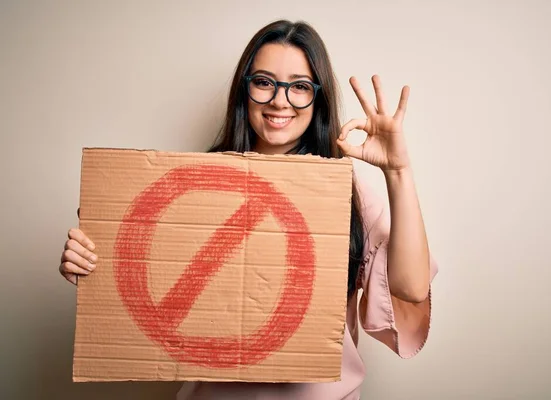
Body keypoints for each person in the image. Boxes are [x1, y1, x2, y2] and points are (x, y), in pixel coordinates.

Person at [59, 19, 438, 400]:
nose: (279, 100)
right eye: (264, 82)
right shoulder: (191, 184)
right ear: (245, 90)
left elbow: (411, 287)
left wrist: (398, 171)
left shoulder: (346, 190)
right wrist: (93, 268)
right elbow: (136, 278)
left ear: (317, 99)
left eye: (300, 86)